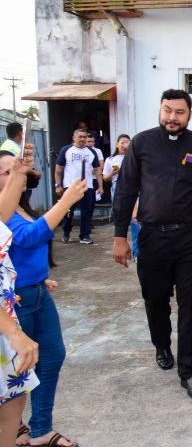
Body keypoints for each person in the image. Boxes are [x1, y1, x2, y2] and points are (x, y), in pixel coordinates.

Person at [112, 89, 192, 402]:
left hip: (191, 238)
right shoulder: (141, 143)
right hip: (151, 237)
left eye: (179, 112)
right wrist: (120, 236)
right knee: (155, 298)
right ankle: (161, 344)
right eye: (167, 111)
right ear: (160, 111)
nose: (172, 117)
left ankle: (189, 370)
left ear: (189, 115)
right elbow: (125, 190)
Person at [0, 151, 86, 447]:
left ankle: (38, 429)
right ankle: (22, 429)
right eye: (8, 172)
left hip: (33, 291)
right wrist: (66, 201)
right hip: (15, 303)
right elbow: (29, 237)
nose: (16, 175)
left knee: (49, 357)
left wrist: (39, 277)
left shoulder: (20, 208)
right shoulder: (6, 213)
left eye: (19, 170)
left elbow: (17, 254)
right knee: (16, 373)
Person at [0, 152, 40, 447]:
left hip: (7, 318)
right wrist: (14, 332)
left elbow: (3, 213)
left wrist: (17, 172)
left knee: (13, 399)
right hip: (6, 326)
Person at [54, 129, 102, 245]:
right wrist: (58, 185)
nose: (82, 139)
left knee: (87, 211)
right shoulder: (66, 150)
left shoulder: (91, 152)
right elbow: (58, 169)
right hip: (70, 186)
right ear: (74, 138)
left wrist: (100, 186)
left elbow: (97, 170)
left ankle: (84, 236)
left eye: (84, 137)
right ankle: (66, 233)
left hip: (87, 186)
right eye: (80, 137)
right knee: (68, 211)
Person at [102, 134, 131, 200]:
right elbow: (105, 178)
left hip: (131, 184)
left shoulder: (134, 158)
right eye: (123, 143)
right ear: (117, 144)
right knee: (117, 208)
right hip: (117, 185)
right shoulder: (110, 159)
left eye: (128, 143)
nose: (125, 145)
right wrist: (112, 174)